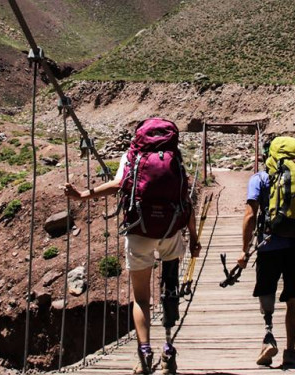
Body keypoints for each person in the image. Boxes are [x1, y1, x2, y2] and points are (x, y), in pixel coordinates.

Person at [65, 118, 201, 375]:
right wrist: (193, 237)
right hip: (171, 230)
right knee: (170, 290)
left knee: (141, 298)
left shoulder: (133, 156)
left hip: (139, 230)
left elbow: (119, 185)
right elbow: (186, 200)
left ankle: (144, 354)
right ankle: (168, 350)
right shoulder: (175, 158)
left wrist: (83, 195)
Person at [237, 138, 295, 367]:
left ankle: (269, 335)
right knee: (293, 299)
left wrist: (244, 250)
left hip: (268, 247)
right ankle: (291, 351)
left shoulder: (259, 178)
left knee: (267, 291)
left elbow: (250, 216)